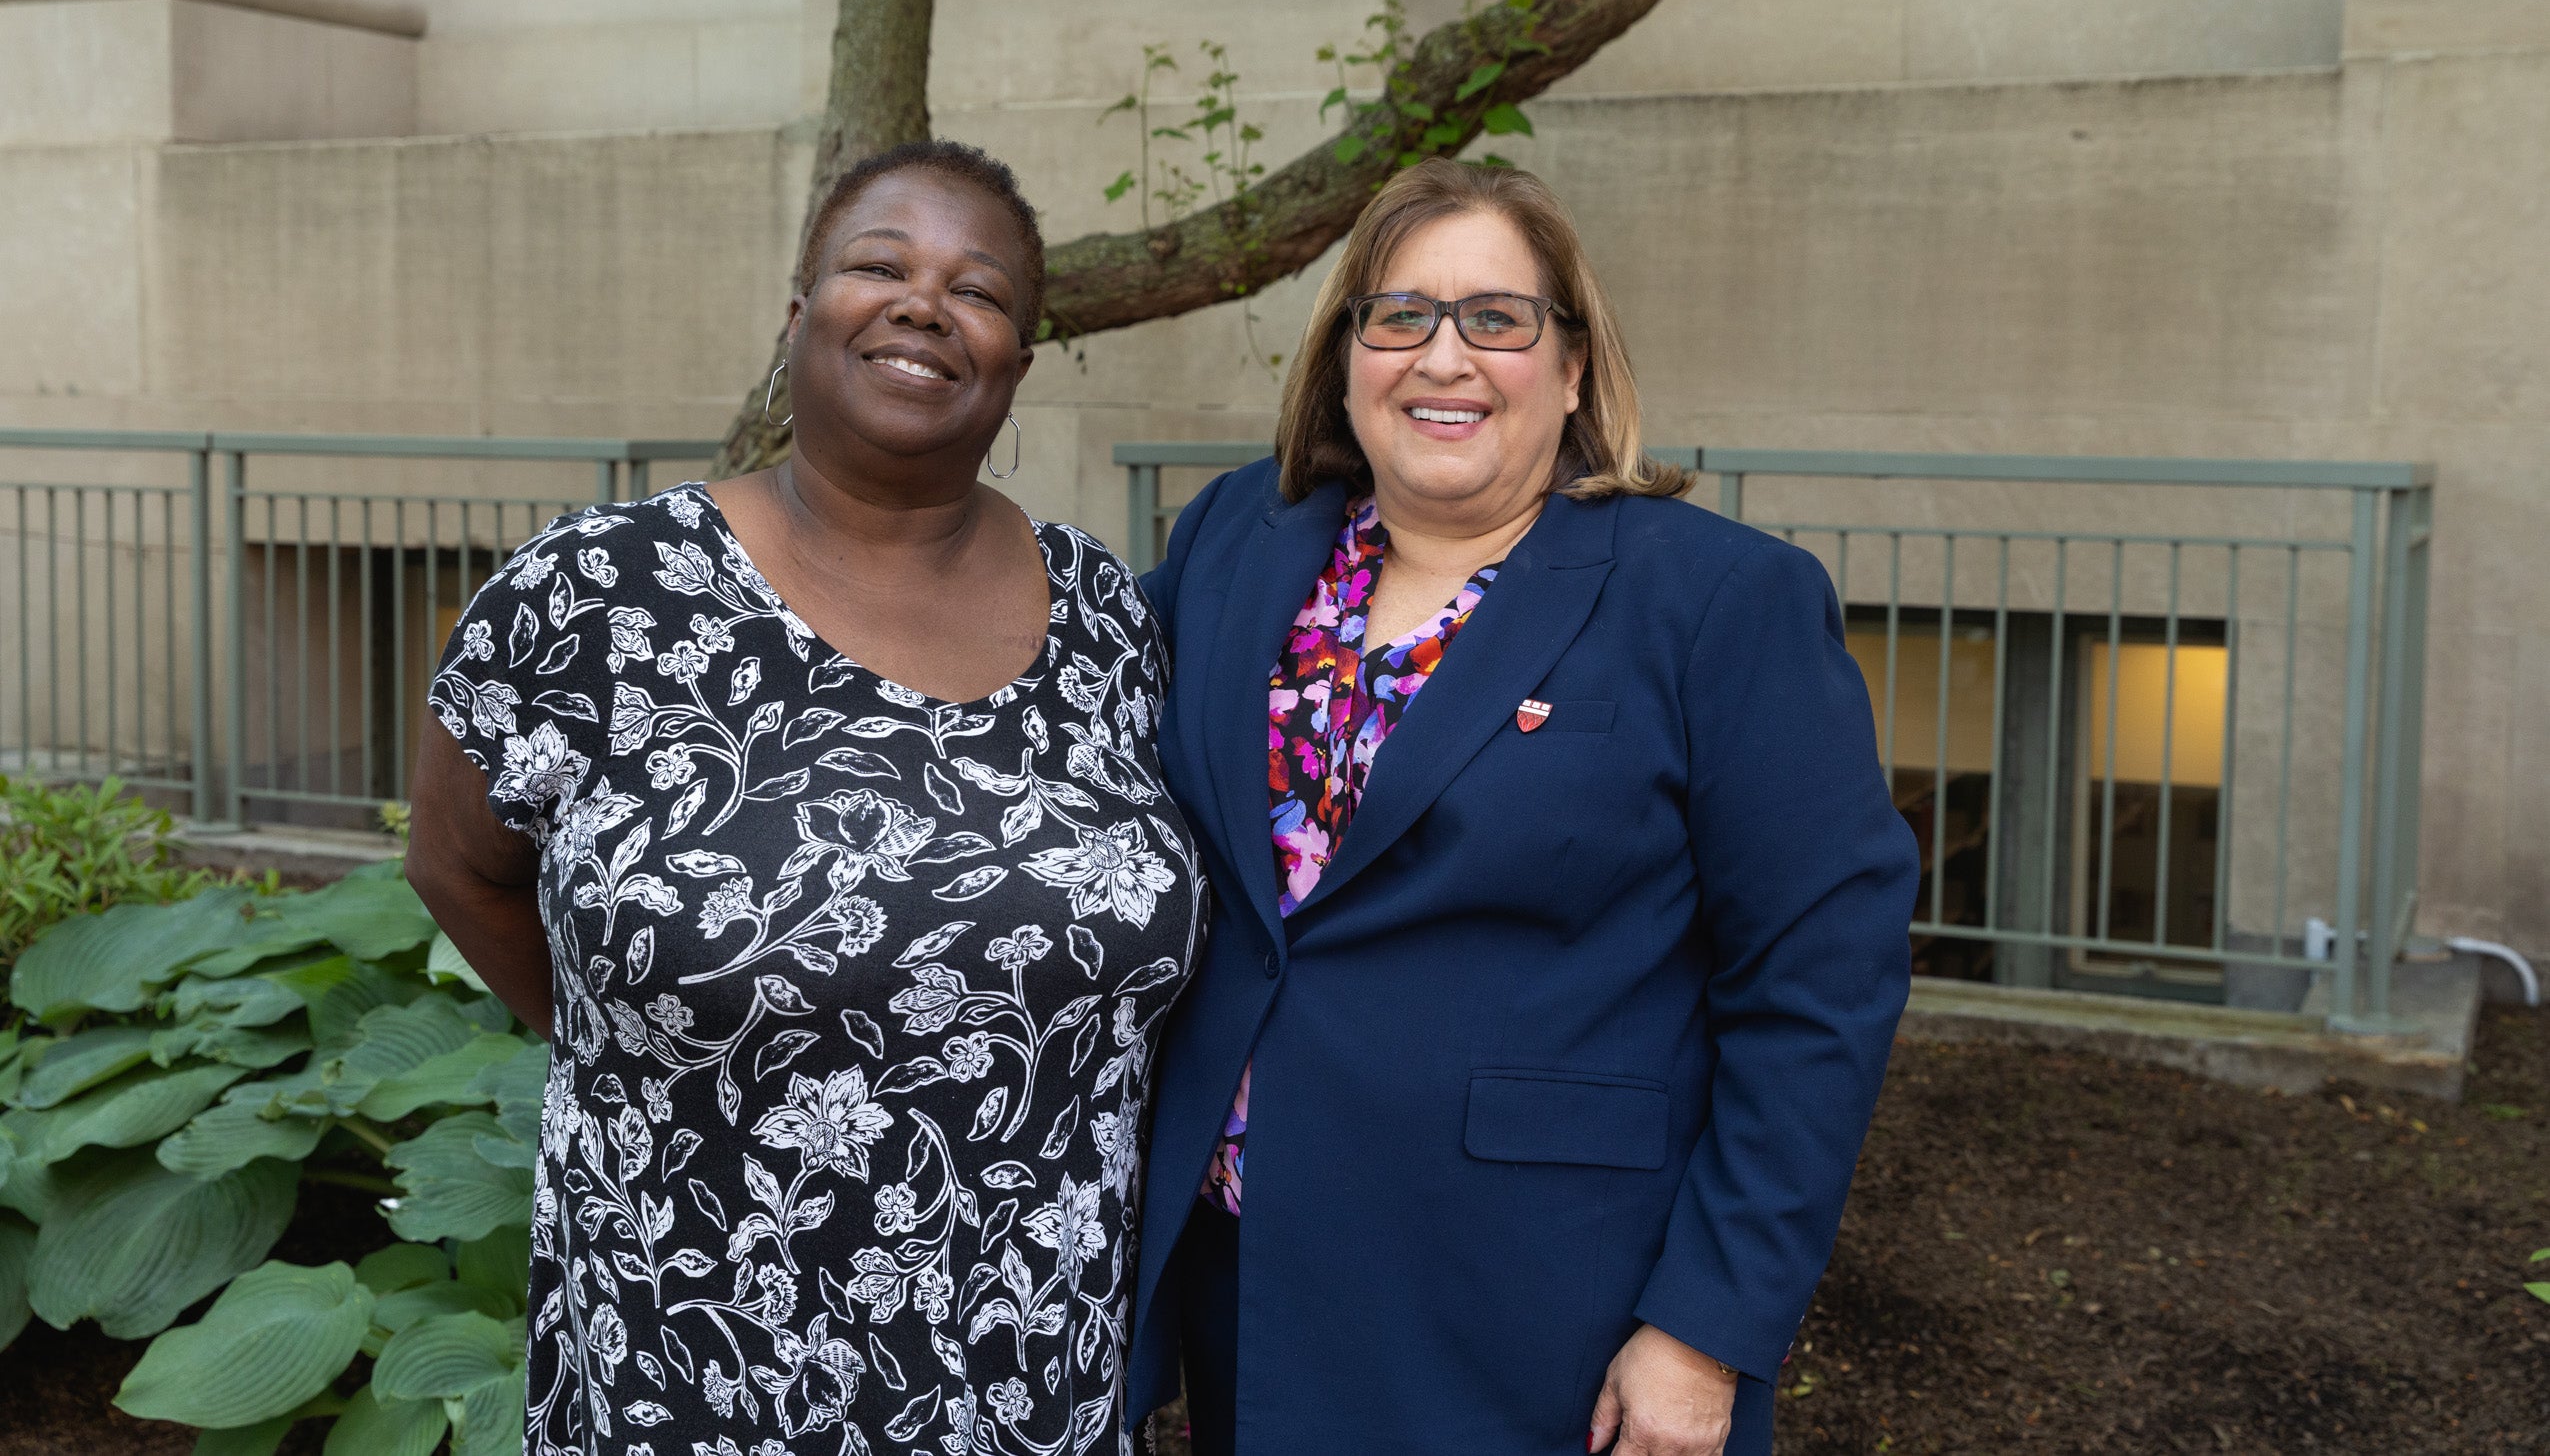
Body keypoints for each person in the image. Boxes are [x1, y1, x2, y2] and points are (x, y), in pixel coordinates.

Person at [407, 141, 1204, 1456]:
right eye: (876, 265)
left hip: (1027, 1383)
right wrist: (647, 1041)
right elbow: (457, 865)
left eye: (979, 290)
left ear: (1017, 357)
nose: (922, 304)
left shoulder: (1112, 618)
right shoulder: (598, 596)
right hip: (690, 1370)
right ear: (797, 317)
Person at [1126, 158, 1920, 1456]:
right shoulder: (1230, 543)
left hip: (1543, 1315)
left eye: (1496, 318)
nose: (1445, 357)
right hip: (1247, 1291)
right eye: (1400, 317)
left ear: (1569, 366)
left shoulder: (1714, 601)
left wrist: (1706, 1325)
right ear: (1343, 361)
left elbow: (1818, 992)